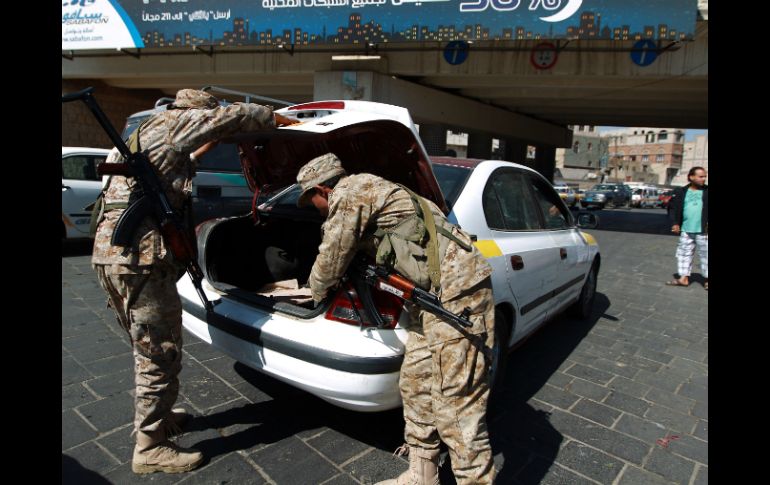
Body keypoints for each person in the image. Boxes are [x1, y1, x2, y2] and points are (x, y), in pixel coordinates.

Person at [92, 89, 296, 474]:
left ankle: (160, 416)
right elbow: (237, 116)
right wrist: (273, 117)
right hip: (141, 261)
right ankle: (150, 446)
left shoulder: (143, 133)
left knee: (146, 344)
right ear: (195, 115)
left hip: (113, 257)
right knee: (159, 352)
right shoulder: (175, 124)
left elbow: (173, 162)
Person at [296, 153, 496, 484]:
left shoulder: (351, 192)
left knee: (457, 407)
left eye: (312, 200)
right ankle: (422, 474)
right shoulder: (370, 190)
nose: (313, 208)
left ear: (323, 188)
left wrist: (313, 292)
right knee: (415, 384)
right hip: (428, 299)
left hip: (459, 296)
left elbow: (332, 256)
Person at [666, 166, 708, 290]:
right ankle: (683, 278)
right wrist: (675, 223)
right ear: (691, 177)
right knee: (684, 254)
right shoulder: (681, 191)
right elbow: (673, 208)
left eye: (704, 176)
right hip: (686, 229)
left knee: (706, 255)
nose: (704, 179)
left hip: (704, 231)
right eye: (701, 176)